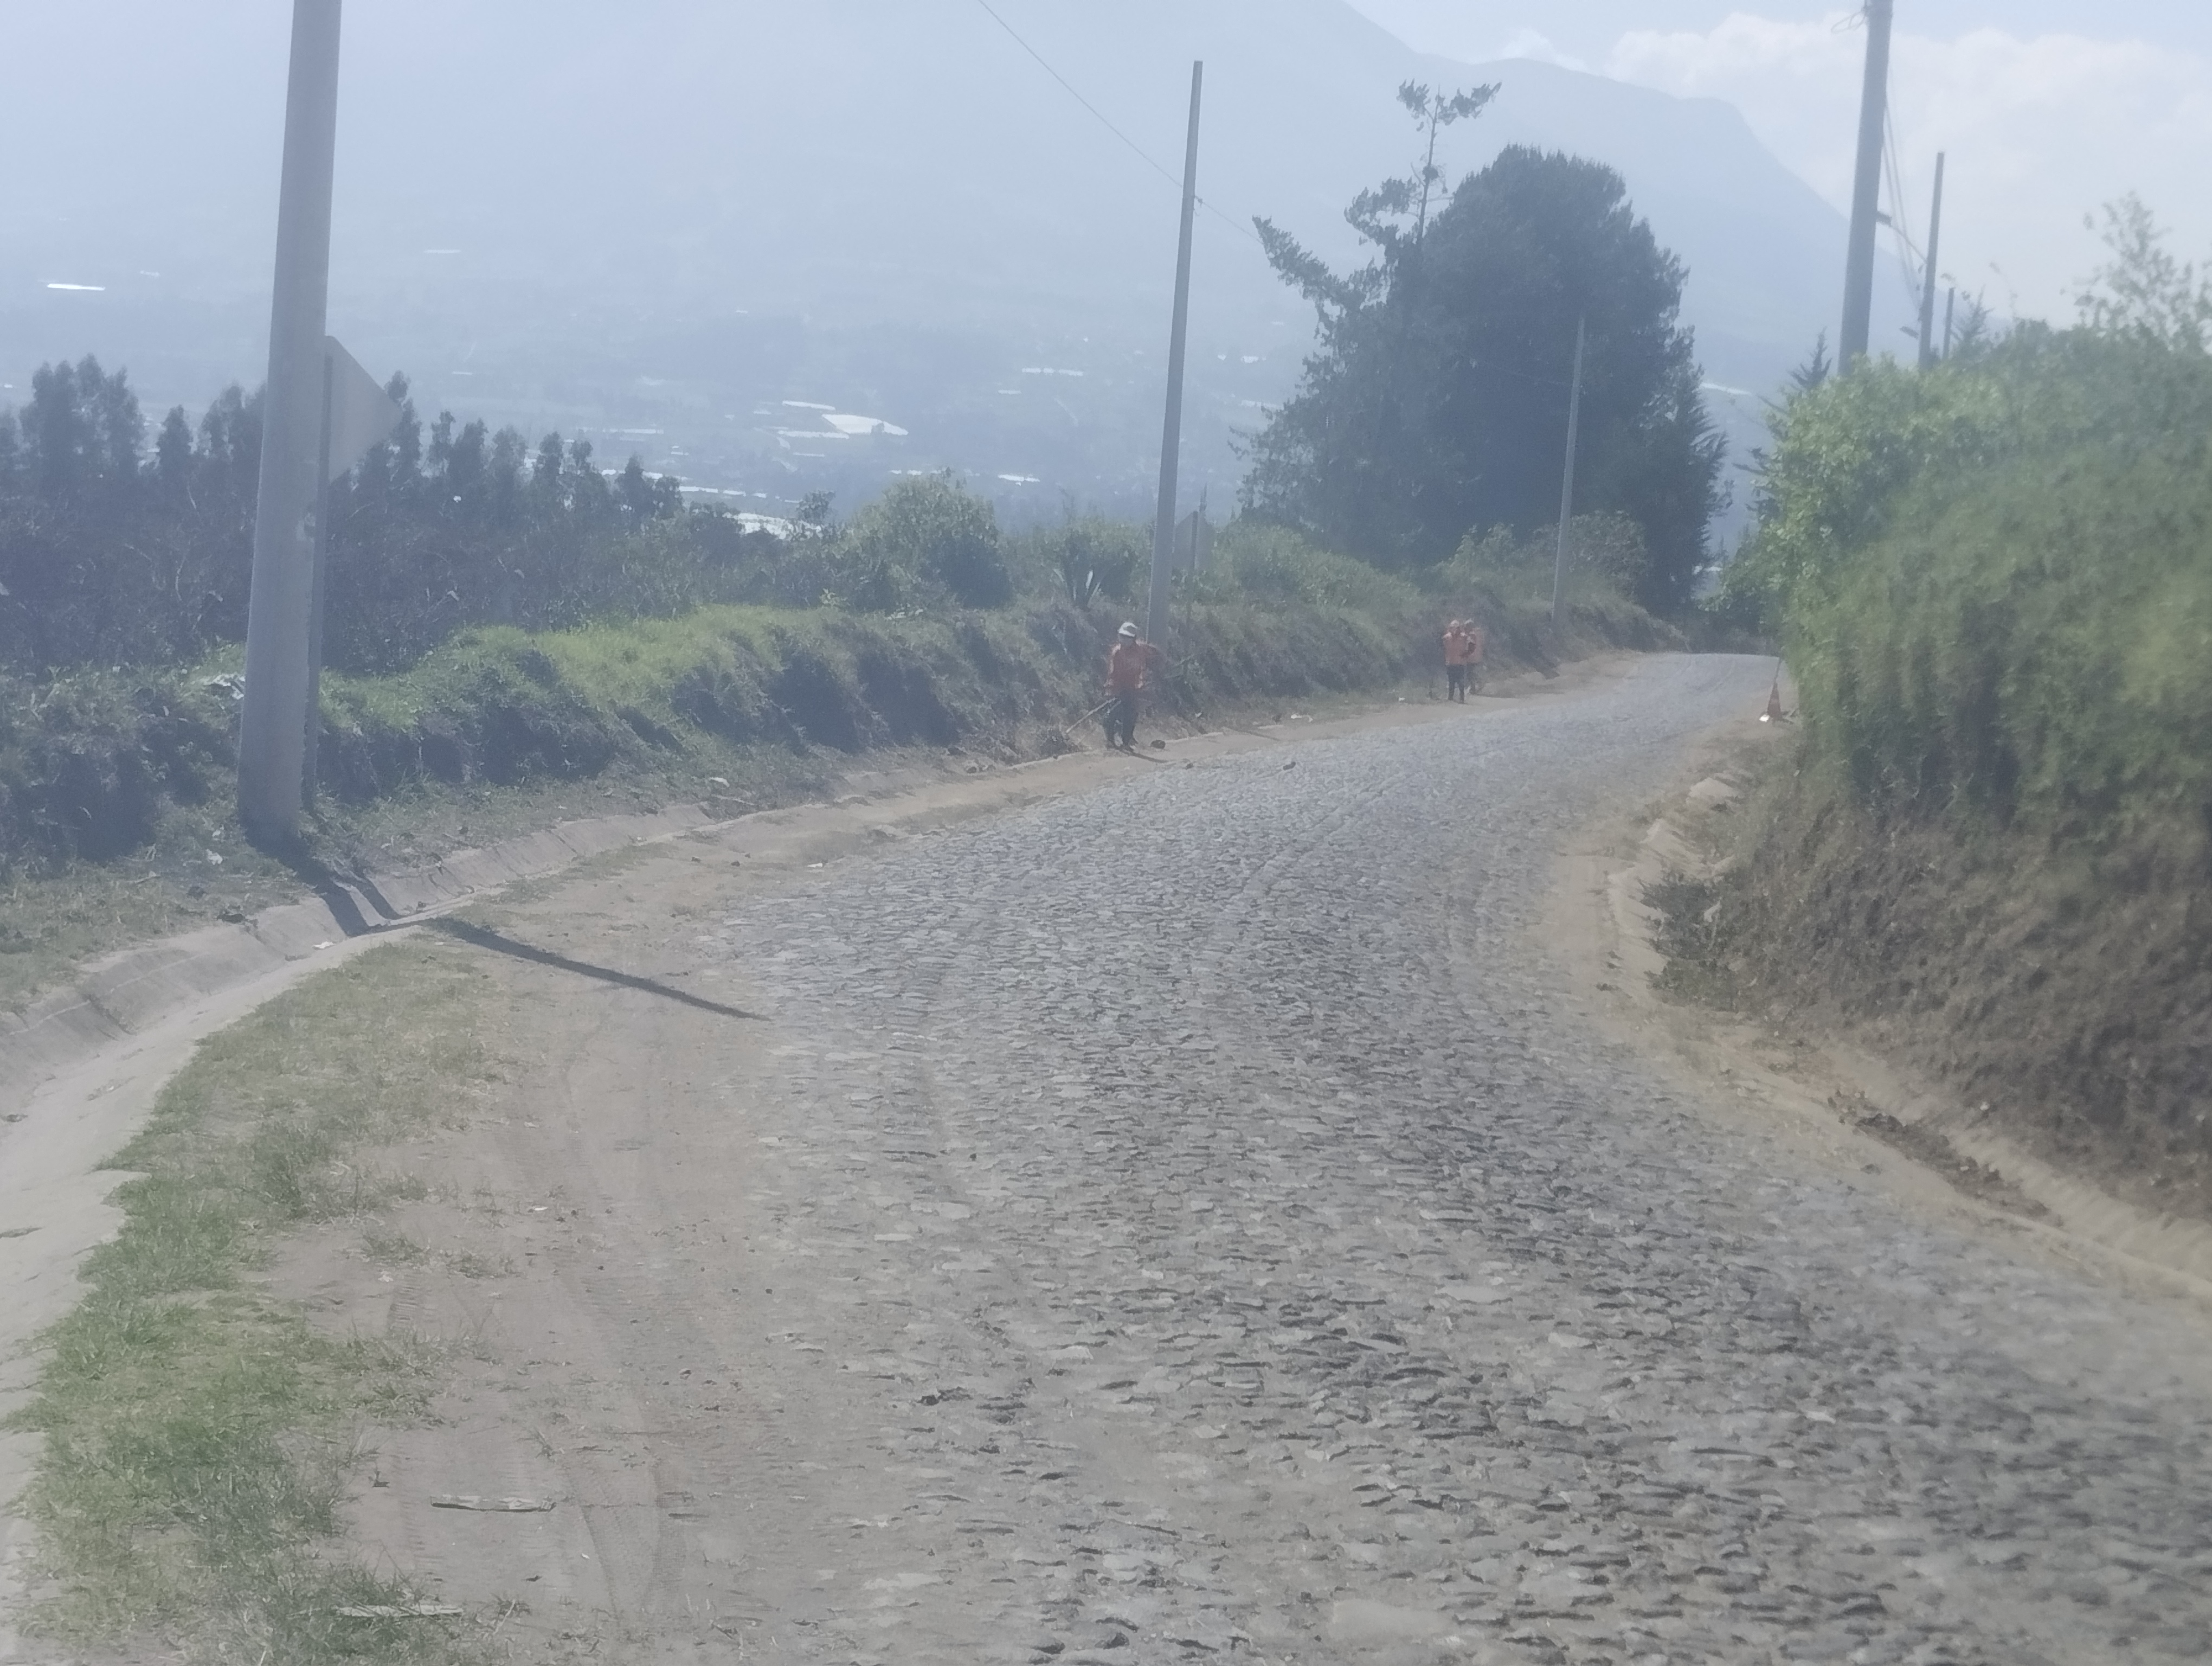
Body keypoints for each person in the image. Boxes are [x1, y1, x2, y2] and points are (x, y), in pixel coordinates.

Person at [1104, 621, 1166, 751]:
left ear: (1134, 639)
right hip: (1118, 689)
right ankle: (1110, 741)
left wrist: (1156, 672)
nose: (1124, 640)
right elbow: (1114, 674)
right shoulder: (1117, 652)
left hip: (1133, 688)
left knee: (1131, 716)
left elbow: (1157, 656)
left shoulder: (1141, 650)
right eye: (1122, 636)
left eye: (1128, 637)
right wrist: (1114, 690)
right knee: (1111, 716)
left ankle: (1126, 743)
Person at [1443, 619, 1471, 702]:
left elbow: (1471, 646)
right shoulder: (1446, 638)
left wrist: (1466, 655)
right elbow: (1443, 648)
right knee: (1451, 681)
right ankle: (1450, 698)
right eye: (1452, 628)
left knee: (1460, 681)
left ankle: (1462, 698)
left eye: (1456, 628)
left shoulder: (1464, 637)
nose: (1454, 630)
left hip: (1460, 663)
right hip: (1450, 663)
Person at [1463, 616, 1487, 695]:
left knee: (1470, 674)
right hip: (1478, 656)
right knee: (1473, 672)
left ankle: (1475, 686)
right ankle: (1477, 684)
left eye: (1466, 626)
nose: (1465, 628)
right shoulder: (1479, 633)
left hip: (1471, 657)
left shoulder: (1470, 635)